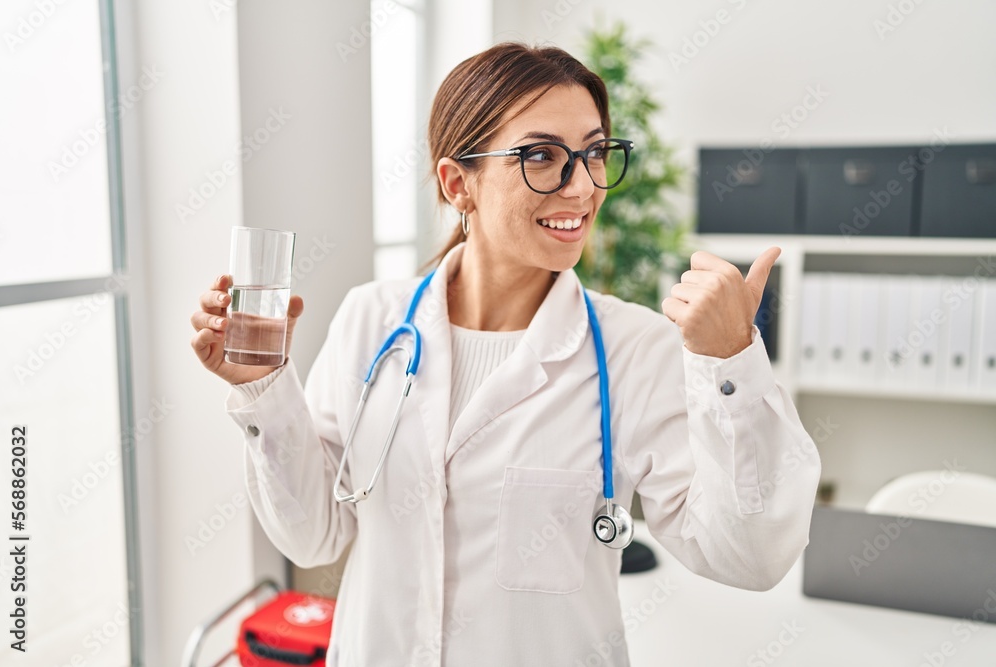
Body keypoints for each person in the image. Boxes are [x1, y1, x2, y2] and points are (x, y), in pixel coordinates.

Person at [190, 42, 821, 667]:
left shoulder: (634, 350)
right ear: (458, 183)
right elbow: (313, 533)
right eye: (543, 156)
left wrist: (731, 363)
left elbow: (750, 557)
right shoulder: (372, 320)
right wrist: (263, 388)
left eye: (595, 153)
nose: (582, 187)